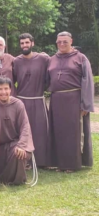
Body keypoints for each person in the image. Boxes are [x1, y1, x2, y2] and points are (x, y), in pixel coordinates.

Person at [48, 31, 94, 172]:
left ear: (71, 41)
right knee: (58, 132)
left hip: (74, 99)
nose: (62, 44)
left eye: (65, 41)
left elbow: (88, 81)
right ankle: (60, 163)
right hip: (56, 99)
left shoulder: (80, 58)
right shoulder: (52, 59)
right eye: (59, 41)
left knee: (73, 133)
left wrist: (85, 104)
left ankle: (72, 164)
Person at [0, 77, 35, 185]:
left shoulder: (18, 104)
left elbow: (25, 126)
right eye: (0, 89)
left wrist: (21, 145)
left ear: (11, 89)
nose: (3, 92)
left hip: (14, 143)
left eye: (6, 89)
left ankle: (15, 180)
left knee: (20, 153)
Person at [13, 33, 51, 168]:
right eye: (22, 43)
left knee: (41, 130)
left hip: (38, 99)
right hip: (22, 100)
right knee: (23, 131)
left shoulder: (43, 59)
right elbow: (12, 81)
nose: (24, 45)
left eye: (27, 43)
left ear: (32, 43)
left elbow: (51, 74)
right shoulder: (16, 61)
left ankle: (42, 161)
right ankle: (26, 160)